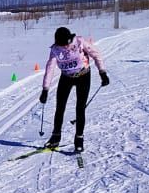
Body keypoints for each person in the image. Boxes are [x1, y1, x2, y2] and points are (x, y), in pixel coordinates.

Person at [39, 26, 107, 154]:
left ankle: (79, 139)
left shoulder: (80, 42)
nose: (65, 47)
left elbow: (96, 54)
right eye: (62, 44)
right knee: (60, 107)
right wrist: (45, 89)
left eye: (66, 43)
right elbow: (50, 68)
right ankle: (55, 137)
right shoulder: (55, 50)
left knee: (80, 108)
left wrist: (102, 72)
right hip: (66, 77)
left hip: (83, 76)